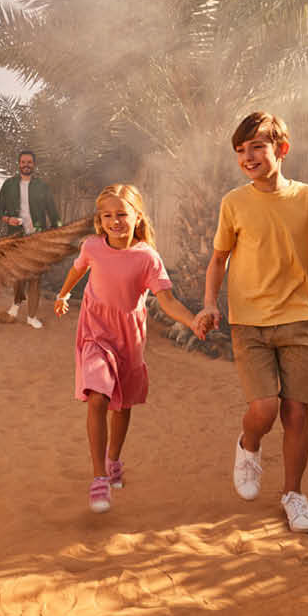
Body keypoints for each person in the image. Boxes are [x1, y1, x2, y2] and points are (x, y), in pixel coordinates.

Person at [194, 112, 308, 534]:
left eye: (256, 147)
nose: (247, 157)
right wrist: (207, 304)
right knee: (264, 408)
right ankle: (248, 445)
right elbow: (219, 259)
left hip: (298, 317)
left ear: (281, 149)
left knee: (296, 413)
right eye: (240, 150)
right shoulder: (234, 203)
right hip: (248, 320)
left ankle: (293, 495)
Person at [51, 185, 204, 513]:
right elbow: (78, 269)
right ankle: (98, 478)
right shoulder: (92, 246)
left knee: (121, 406)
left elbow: (168, 300)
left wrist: (191, 322)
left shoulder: (147, 256)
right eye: (107, 215)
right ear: (99, 220)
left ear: (137, 217)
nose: (115, 221)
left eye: (122, 214)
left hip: (128, 338)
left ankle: (114, 459)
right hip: (95, 331)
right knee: (98, 397)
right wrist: (63, 295)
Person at [0, 150, 62, 329]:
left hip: (37, 238)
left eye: (29, 162)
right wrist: (8, 220)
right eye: (23, 162)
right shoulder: (8, 185)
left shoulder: (42, 186)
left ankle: (31, 316)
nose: (26, 165)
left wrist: (57, 233)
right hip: (16, 238)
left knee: (35, 278)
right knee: (18, 276)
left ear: (34, 165)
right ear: (19, 164)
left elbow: (53, 213)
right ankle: (16, 303)